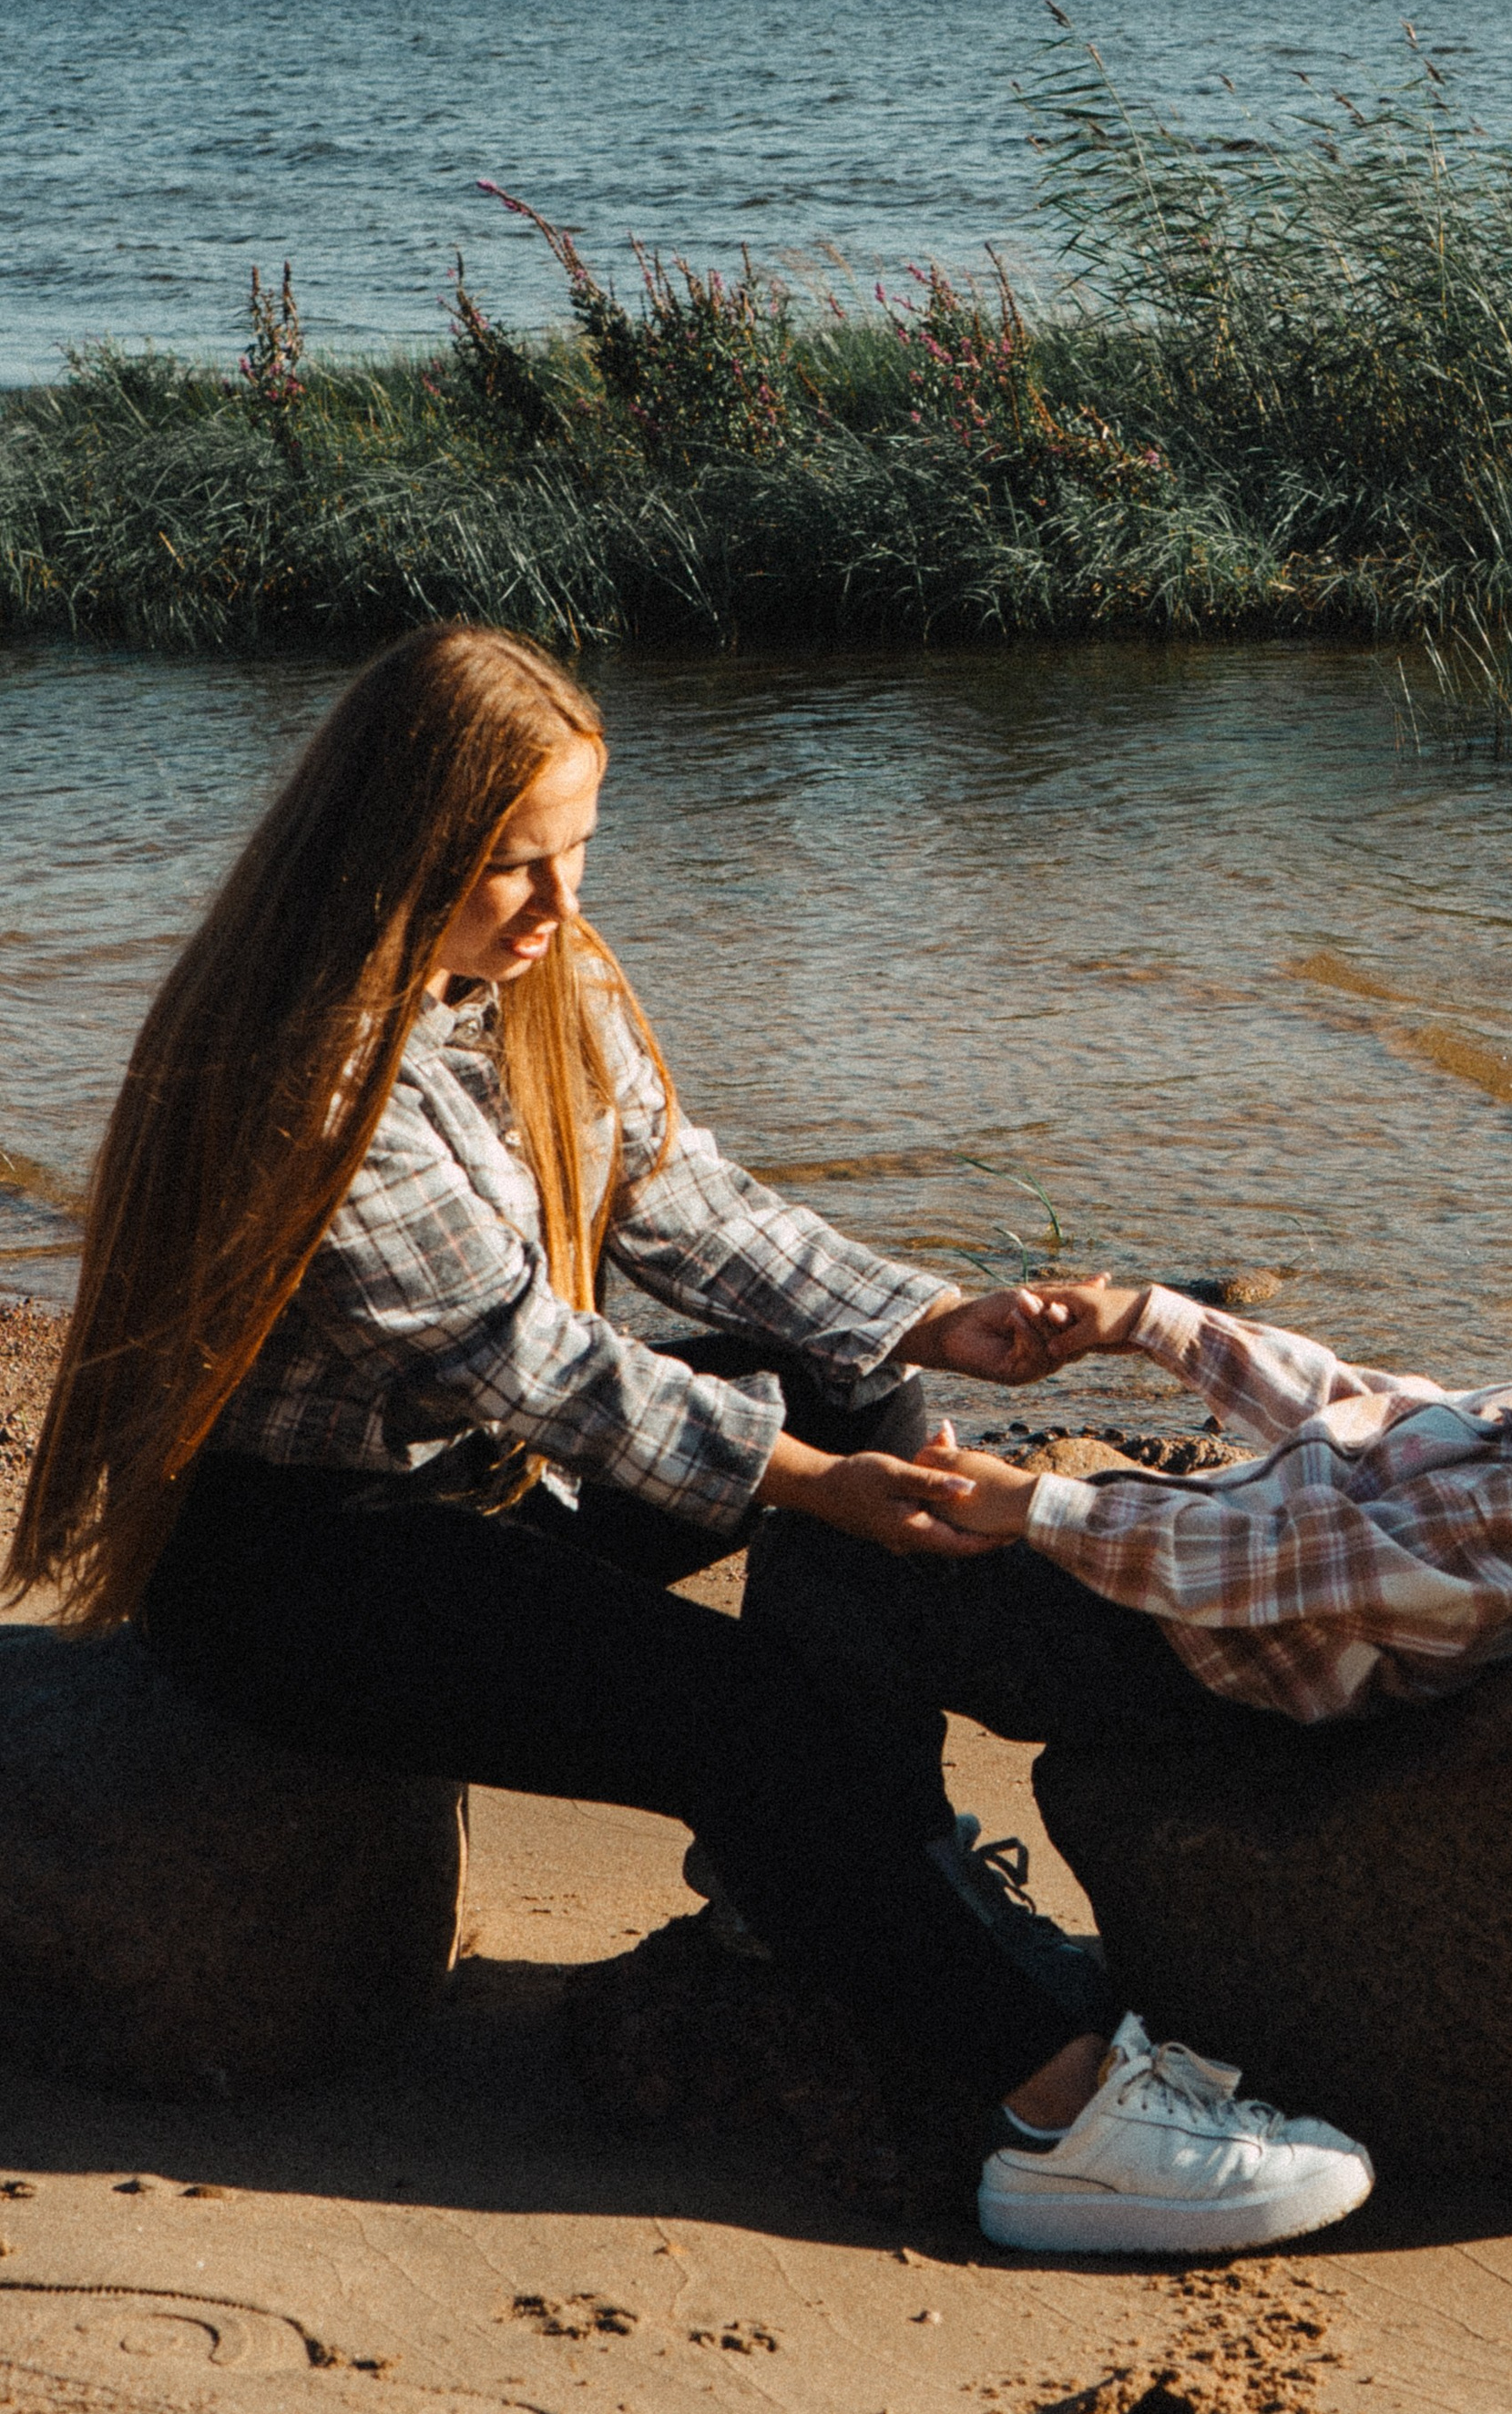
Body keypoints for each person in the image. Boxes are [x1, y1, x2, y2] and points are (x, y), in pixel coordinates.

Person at [5, 623, 1374, 2259]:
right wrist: (810, 1490)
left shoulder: (525, 978)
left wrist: (927, 1321)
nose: (564, 905)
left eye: (579, 851)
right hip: (301, 1570)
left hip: (478, 1497)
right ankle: (1056, 2109)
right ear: (398, 852)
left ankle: (838, 1885)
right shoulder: (306, 1075)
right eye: (517, 867)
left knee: (843, 1380)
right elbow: (534, 1365)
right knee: (741, 1713)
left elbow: (677, 1199)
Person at [743, 1218, 1512, 2247]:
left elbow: (1254, 1570)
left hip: (1187, 1667)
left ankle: (854, 1851)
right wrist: (1152, 1321)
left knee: (840, 1565)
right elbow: (1350, 1402)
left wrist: (1034, 1506)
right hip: (1182, 1584)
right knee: (854, 1506)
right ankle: (842, 1834)